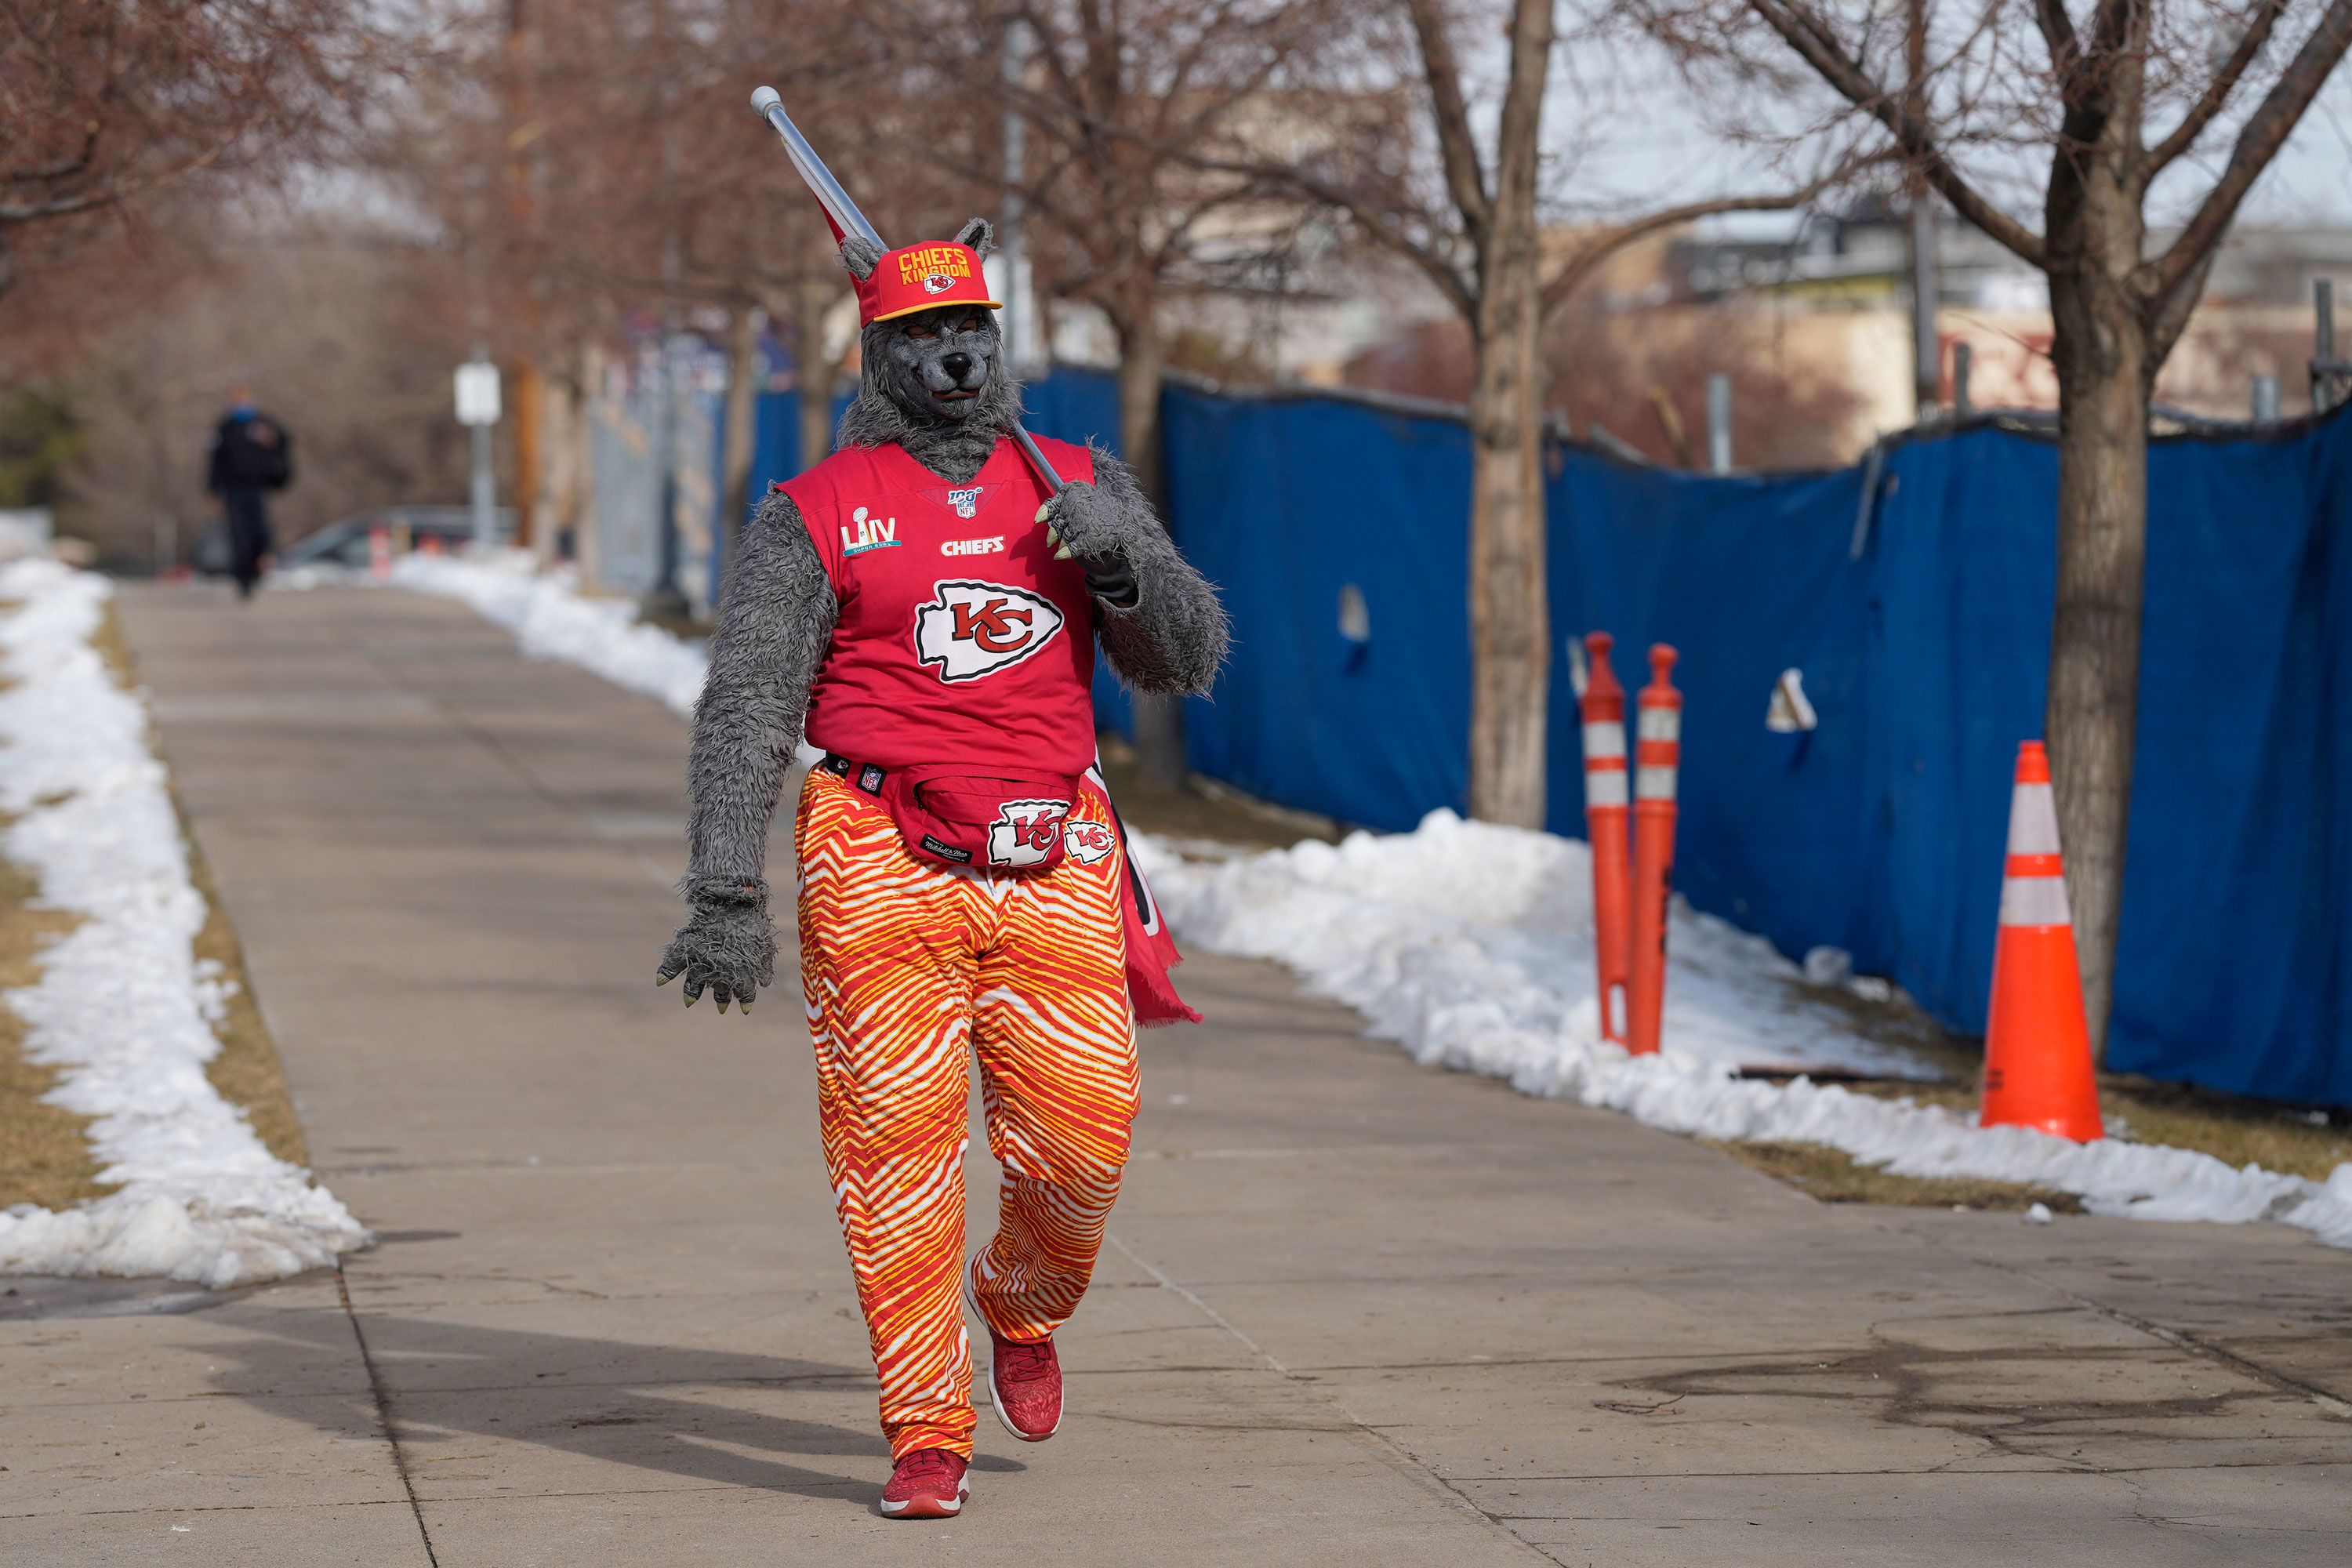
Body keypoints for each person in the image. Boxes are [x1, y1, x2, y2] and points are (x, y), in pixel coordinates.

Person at [658, 217, 1226, 1519]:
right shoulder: (813, 511)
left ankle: (1020, 1303)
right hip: (874, 855)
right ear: (883, 353)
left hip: (1055, 850)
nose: (955, 361)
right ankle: (926, 1426)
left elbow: (1184, 664)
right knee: (895, 1155)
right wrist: (724, 891)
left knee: (1084, 1140)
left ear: (998, 341)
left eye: (971, 334)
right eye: (924, 339)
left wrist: (1130, 571)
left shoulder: (1074, 481)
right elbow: (748, 702)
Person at [205, 388, 294, 597]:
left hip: (258, 488)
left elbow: (284, 441)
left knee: (260, 532)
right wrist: (213, 492)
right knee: (239, 535)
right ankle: (243, 578)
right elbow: (215, 463)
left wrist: (272, 441)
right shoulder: (225, 428)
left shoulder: (262, 424)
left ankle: (258, 569)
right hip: (233, 490)